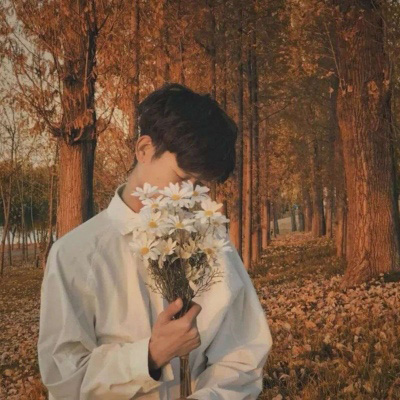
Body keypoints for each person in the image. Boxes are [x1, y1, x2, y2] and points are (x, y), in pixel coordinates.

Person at [37, 83, 273, 400]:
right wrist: (149, 356)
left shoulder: (212, 243)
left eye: (200, 185)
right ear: (145, 149)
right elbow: (64, 379)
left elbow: (243, 355)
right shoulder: (75, 254)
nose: (188, 196)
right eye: (181, 178)